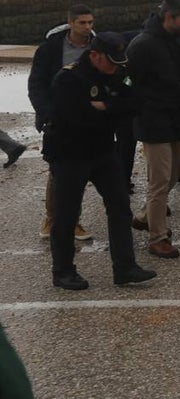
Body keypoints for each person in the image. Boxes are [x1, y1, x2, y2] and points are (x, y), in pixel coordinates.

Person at [44, 33, 157, 290]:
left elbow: (137, 102)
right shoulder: (69, 79)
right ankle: (63, 271)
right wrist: (112, 109)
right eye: (111, 62)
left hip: (103, 151)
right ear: (94, 55)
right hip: (69, 154)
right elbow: (77, 118)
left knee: (119, 206)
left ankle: (125, 267)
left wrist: (106, 106)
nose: (116, 67)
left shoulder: (116, 73)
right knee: (67, 214)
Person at [127, 0, 180, 259]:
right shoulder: (142, 45)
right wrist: (142, 108)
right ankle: (158, 237)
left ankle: (146, 215)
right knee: (159, 181)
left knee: (176, 173)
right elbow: (128, 82)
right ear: (168, 17)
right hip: (154, 121)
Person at [27, 4, 95, 241]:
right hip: (58, 120)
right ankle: (52, 218)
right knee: (58, 173)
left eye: (90, 23)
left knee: (82, 172)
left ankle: (71, 220)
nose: (87, 28)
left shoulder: (96, 48)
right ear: (70, 23)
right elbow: (36, 84)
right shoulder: (50, 50)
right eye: (82, 23)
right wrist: (47, 114)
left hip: (89, 120)